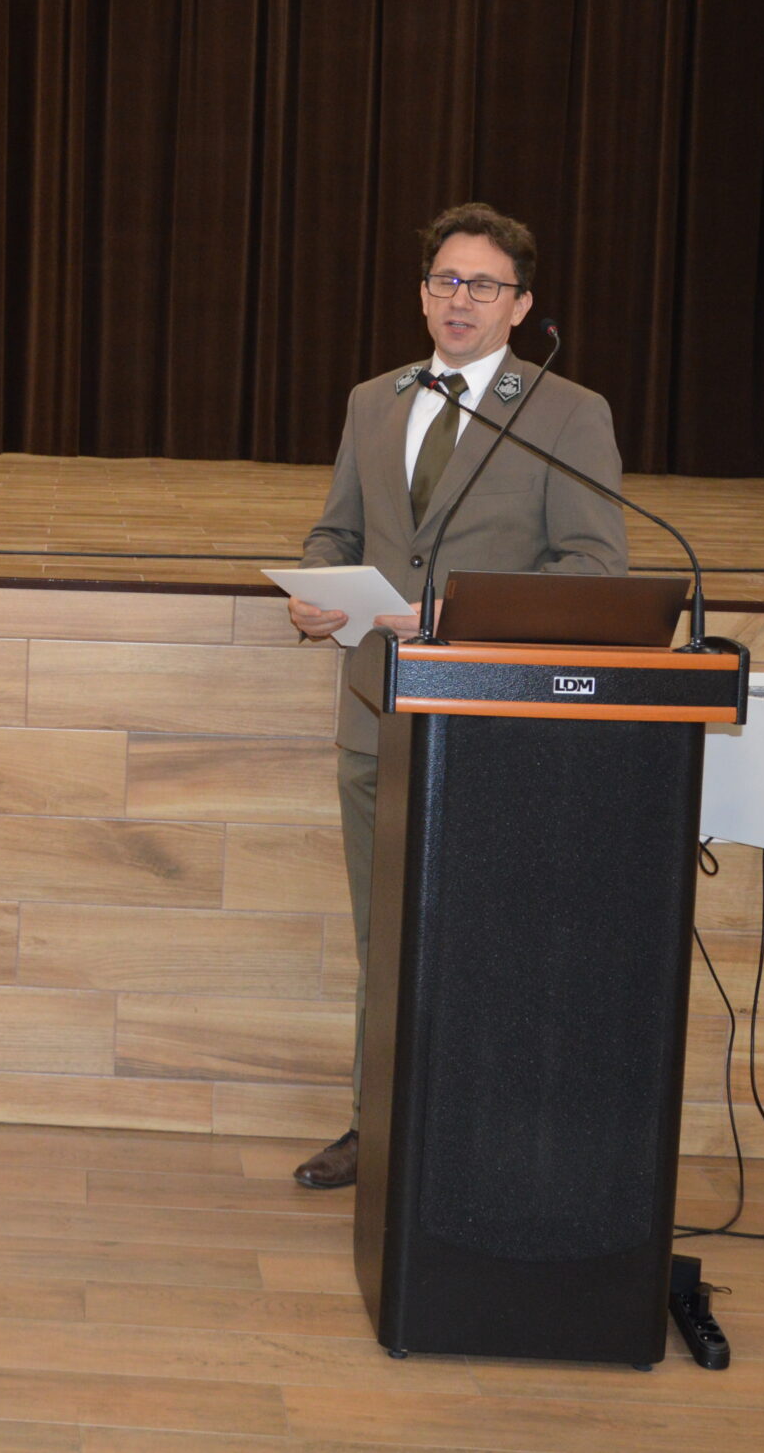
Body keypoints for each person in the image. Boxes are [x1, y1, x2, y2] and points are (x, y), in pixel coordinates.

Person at [286, 203, 630, 1190]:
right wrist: (314, 593)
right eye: (445, 280)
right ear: (421, 292)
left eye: (483, 284)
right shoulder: (374, 400)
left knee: (492, 943)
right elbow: (337, 530)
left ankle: (479, 1142)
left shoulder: (567, 413)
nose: (459, 299)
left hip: (491, 720)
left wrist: (455, 612)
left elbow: (595, 568)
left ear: (520, 305)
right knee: (384, 937)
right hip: (376, 714)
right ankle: (378, 1129)